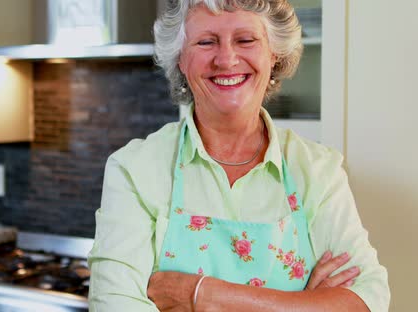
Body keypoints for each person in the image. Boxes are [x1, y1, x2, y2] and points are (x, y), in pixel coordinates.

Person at [88, 0, 390, 311]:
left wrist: (204, 294)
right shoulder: (135, 169)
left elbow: (369, 299)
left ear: (274, 53)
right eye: (206, 42)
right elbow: (113, 305)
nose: (227, 59)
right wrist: (304, 304)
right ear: (181, 59)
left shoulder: (317, 170)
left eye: (245, 40)